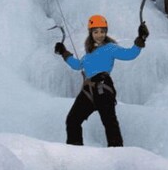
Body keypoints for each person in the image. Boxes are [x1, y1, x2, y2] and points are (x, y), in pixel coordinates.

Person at [54, 15, 149, 147]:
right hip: (88, 90)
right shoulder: (88, 55)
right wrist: (64, 52)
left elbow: (130, 54)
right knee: (72, 120)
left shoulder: (110, 48)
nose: (99, 35)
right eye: (96, 31)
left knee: (109, 122)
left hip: (103, 87)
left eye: (102, 31)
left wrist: (141, 39)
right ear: (91, 33)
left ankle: (118, 154)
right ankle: (75, 155)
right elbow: (77, 65)